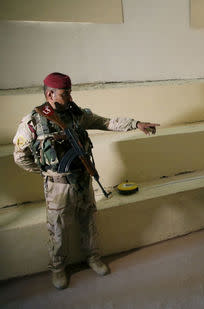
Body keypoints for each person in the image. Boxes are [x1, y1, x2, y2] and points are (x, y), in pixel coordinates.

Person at [12, 72, 160, 289]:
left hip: (82, 179)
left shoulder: (76, 114)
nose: (70, 97)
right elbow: (20, 156)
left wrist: (135, 124)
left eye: (70, 92)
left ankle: (93, 257)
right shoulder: (33, 122)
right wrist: (46, 172)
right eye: (65, 93)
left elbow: (105, 122)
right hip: (58, 186)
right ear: (50, 94)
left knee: (88, 220)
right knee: (58, 228)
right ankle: (58, 268)